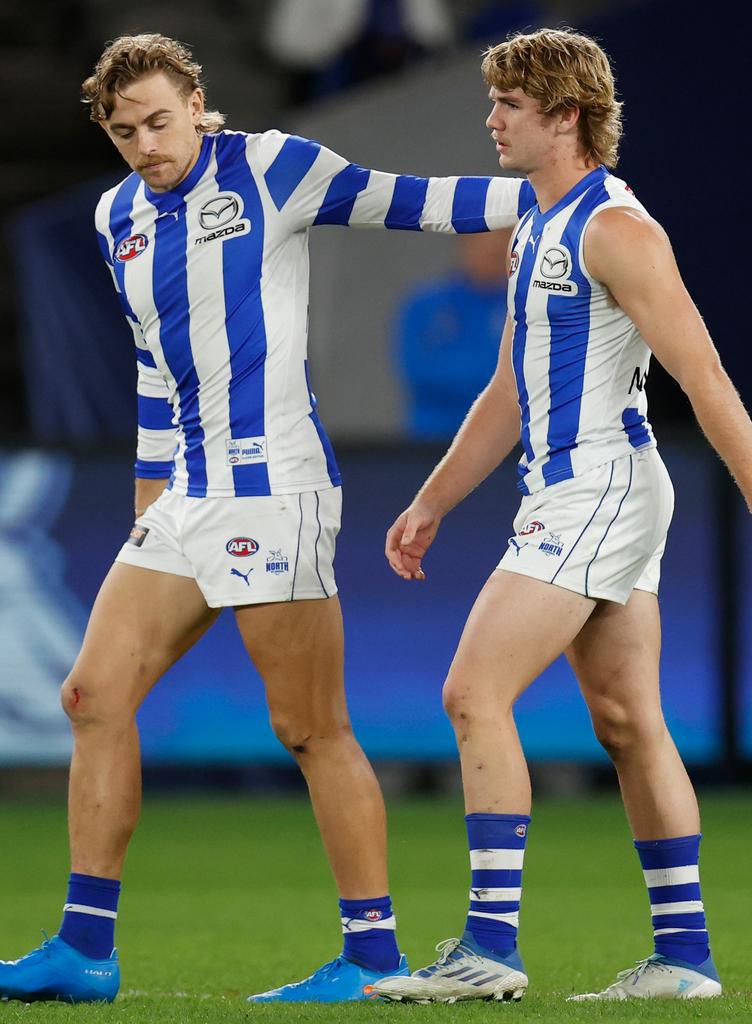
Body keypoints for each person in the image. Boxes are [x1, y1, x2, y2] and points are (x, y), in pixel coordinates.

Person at [0, 33, 534, 1005]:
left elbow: (406, 202)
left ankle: (371, 954)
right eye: (124, 131)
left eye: (159, 120)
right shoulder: (120, 218)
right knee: (91, 695)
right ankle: (84, 949)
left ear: (197, 101)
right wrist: (149, 507)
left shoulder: (273, 166)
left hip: (274, 488)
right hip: (185, 500)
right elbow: (158, 371)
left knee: (311, 727)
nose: (146, 144)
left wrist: (554, 191)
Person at [373, 27, 752, 1004]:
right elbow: (508, 385)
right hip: (580, 489)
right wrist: (432, 499)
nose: (491, 119)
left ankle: (488, 947)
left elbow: (704, 375)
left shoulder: (617, 229)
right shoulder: (539, 225)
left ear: (566, 115)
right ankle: (686, 961)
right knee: (629, 722)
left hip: (601, 489)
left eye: (509, 104)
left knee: (472, 691)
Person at [396, 229, 511, 439]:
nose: (496, 247)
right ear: (465, 242)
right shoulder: (425, 305)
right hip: (431, 443)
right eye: (485, 239)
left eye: (505, 239)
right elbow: (419, 371)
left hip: (506, 445)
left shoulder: (526, 307)